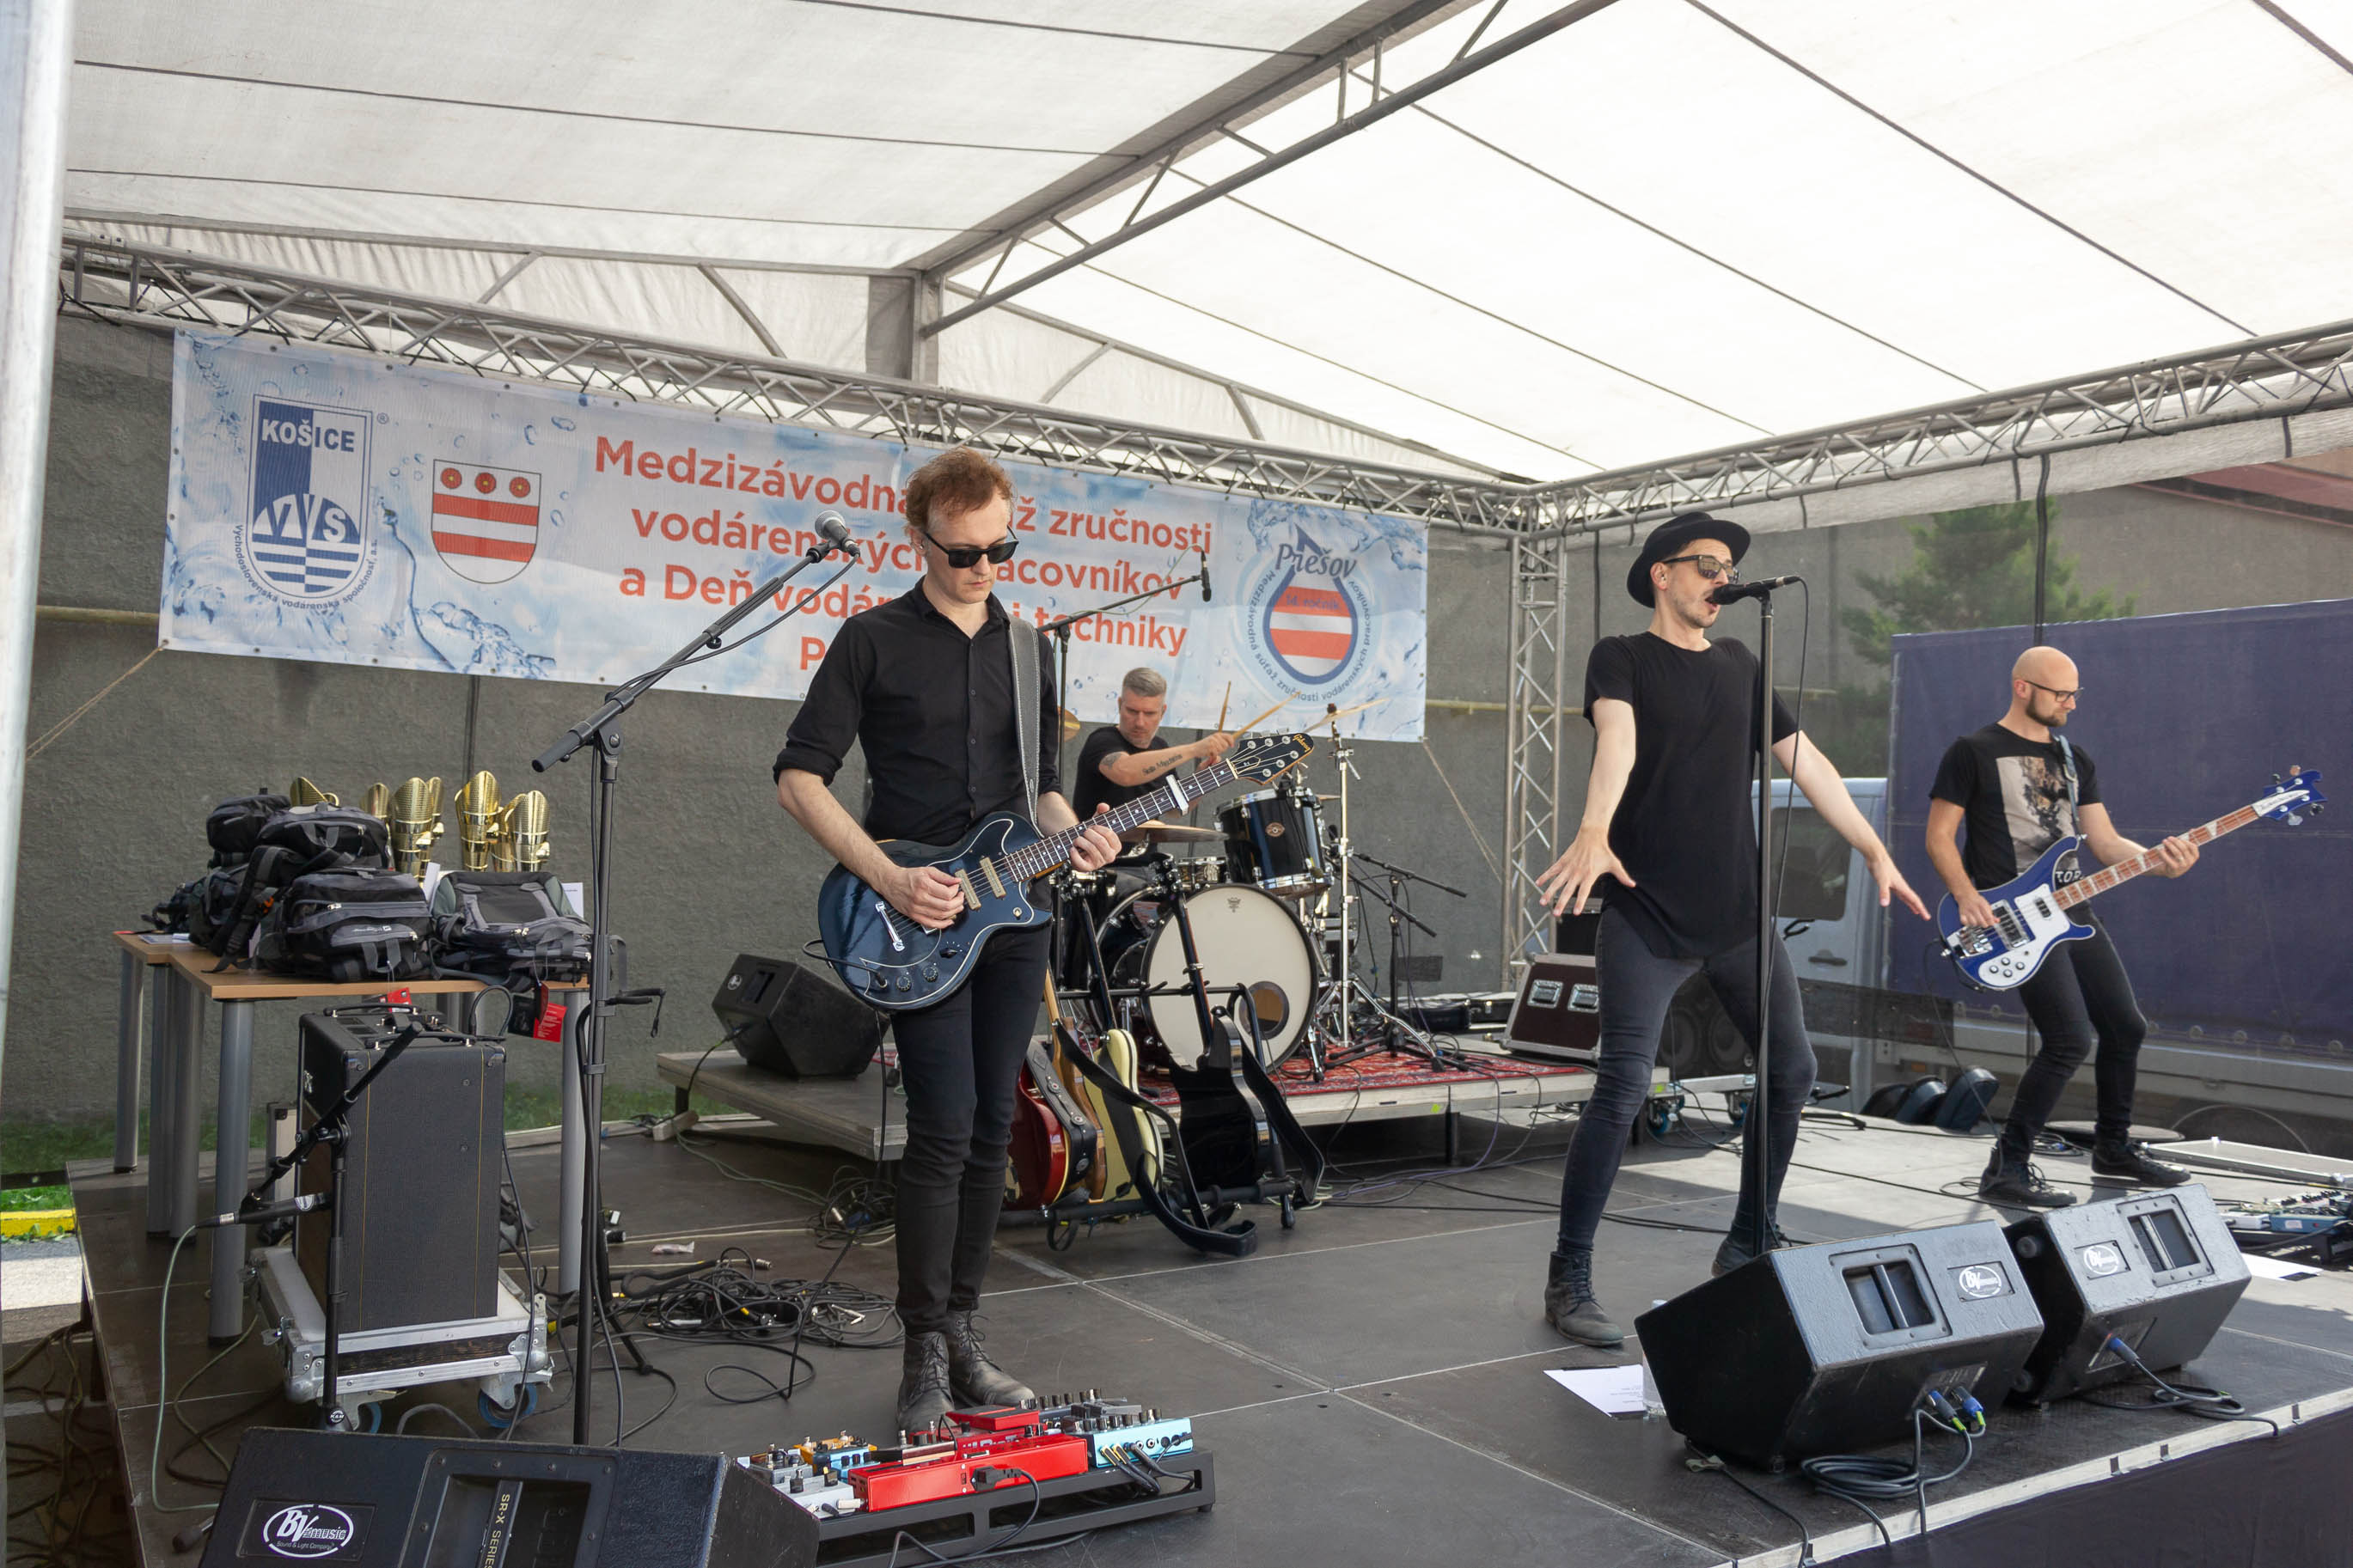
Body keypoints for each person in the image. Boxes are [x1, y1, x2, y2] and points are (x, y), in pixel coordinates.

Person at [775, 447, 1121, 1432]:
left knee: (987, 1128)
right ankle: (921, 1348)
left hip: (1016, 916)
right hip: (914, 916)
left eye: (999, 550)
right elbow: (798, 779)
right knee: (940, 1126)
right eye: (962, 552)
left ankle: (963, 1335)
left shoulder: (1029, 647)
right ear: (916, 538)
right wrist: (888, 877)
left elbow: (1038, 791)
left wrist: (1078, 834)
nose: (982, 568)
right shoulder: (871, 640)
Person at [1534, 513, 1928, 1349]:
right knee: (1623, 1086)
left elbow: (1808, 762)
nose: (1722, 578)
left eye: (1728, 568)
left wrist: (1871, 847)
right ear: (1662, 575)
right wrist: (1594, 828)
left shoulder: (1743, 663)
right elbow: (1617, 742)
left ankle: (1748, 1234)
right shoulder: (1621, 655)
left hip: (1736, 915)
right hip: (1646, 908)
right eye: (1706, 565)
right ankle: (1569, 1274)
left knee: (1791, 1069)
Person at [1927, 645, 2197, 1208]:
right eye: (2061, 694)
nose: (2071, 704)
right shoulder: (1972, 751)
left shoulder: (2075, 761)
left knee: (2125, 1026)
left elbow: (2106, 844)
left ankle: (2113, 1148)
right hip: (2012, 918)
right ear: (2022, 687)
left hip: (2072, 909)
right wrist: (1966, 894)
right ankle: (2007, 1167)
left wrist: (2159, 861)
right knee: (2070, 1039)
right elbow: (1939, 836)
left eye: (2076, 693)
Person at [1073, 667, 1233, 821]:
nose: (1140, 722)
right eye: (1132, 711)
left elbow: (1175, 810)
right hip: (1096, 840)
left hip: (1147, 841)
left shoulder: (1160, 747)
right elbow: (1125, 772)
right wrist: (1194, 749)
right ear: (1120, 705)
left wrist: (1202, 778)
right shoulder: (1102, 740)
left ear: (1162, 712)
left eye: (1149, 713)